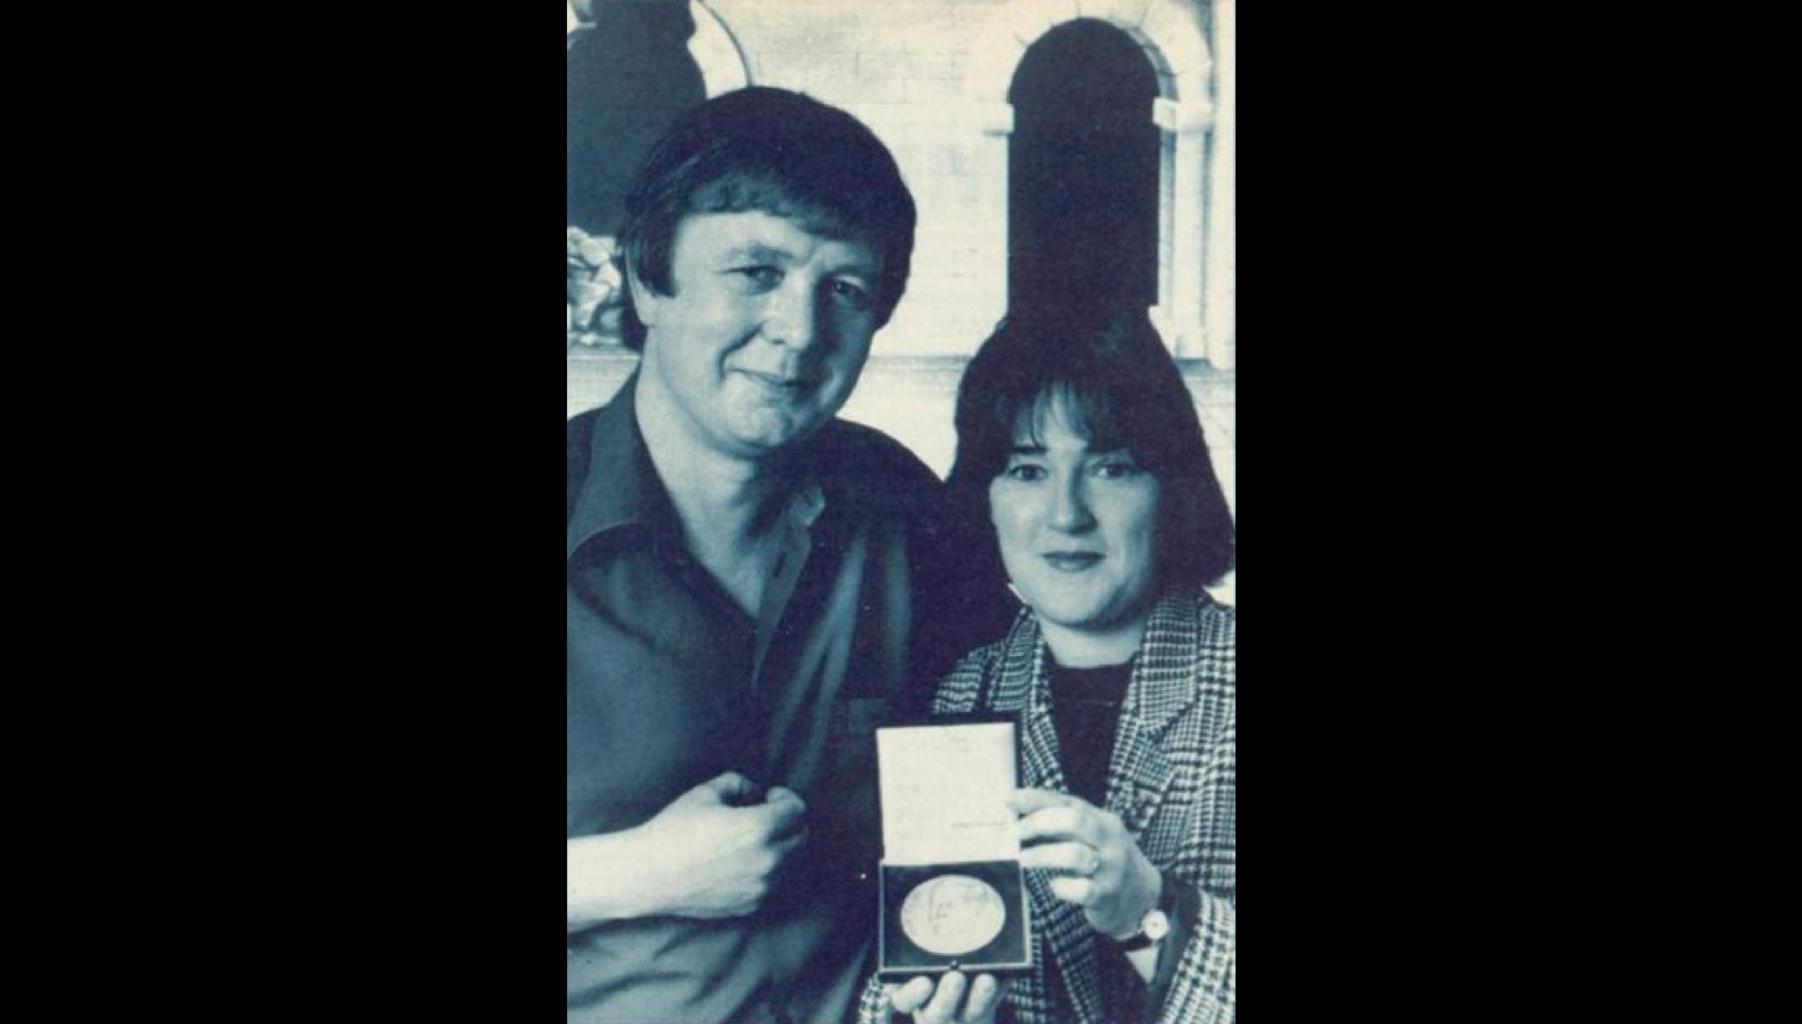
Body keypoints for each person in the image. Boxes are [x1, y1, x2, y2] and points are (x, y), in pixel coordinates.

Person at [567, 87, 1001, 1023]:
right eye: (756, 271)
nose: (800, 333)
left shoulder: (902, 509)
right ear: (648, 279)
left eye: (844, 288)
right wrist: (620, 877)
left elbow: (1000, 757)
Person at [863, 313, 1237, 1024]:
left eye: (1111, 467)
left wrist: (1150, 913)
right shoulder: (964, 692)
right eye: (1028, 469)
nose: (1065, 515)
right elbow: (898, 979)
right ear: (987, 497)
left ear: (1172, 491)